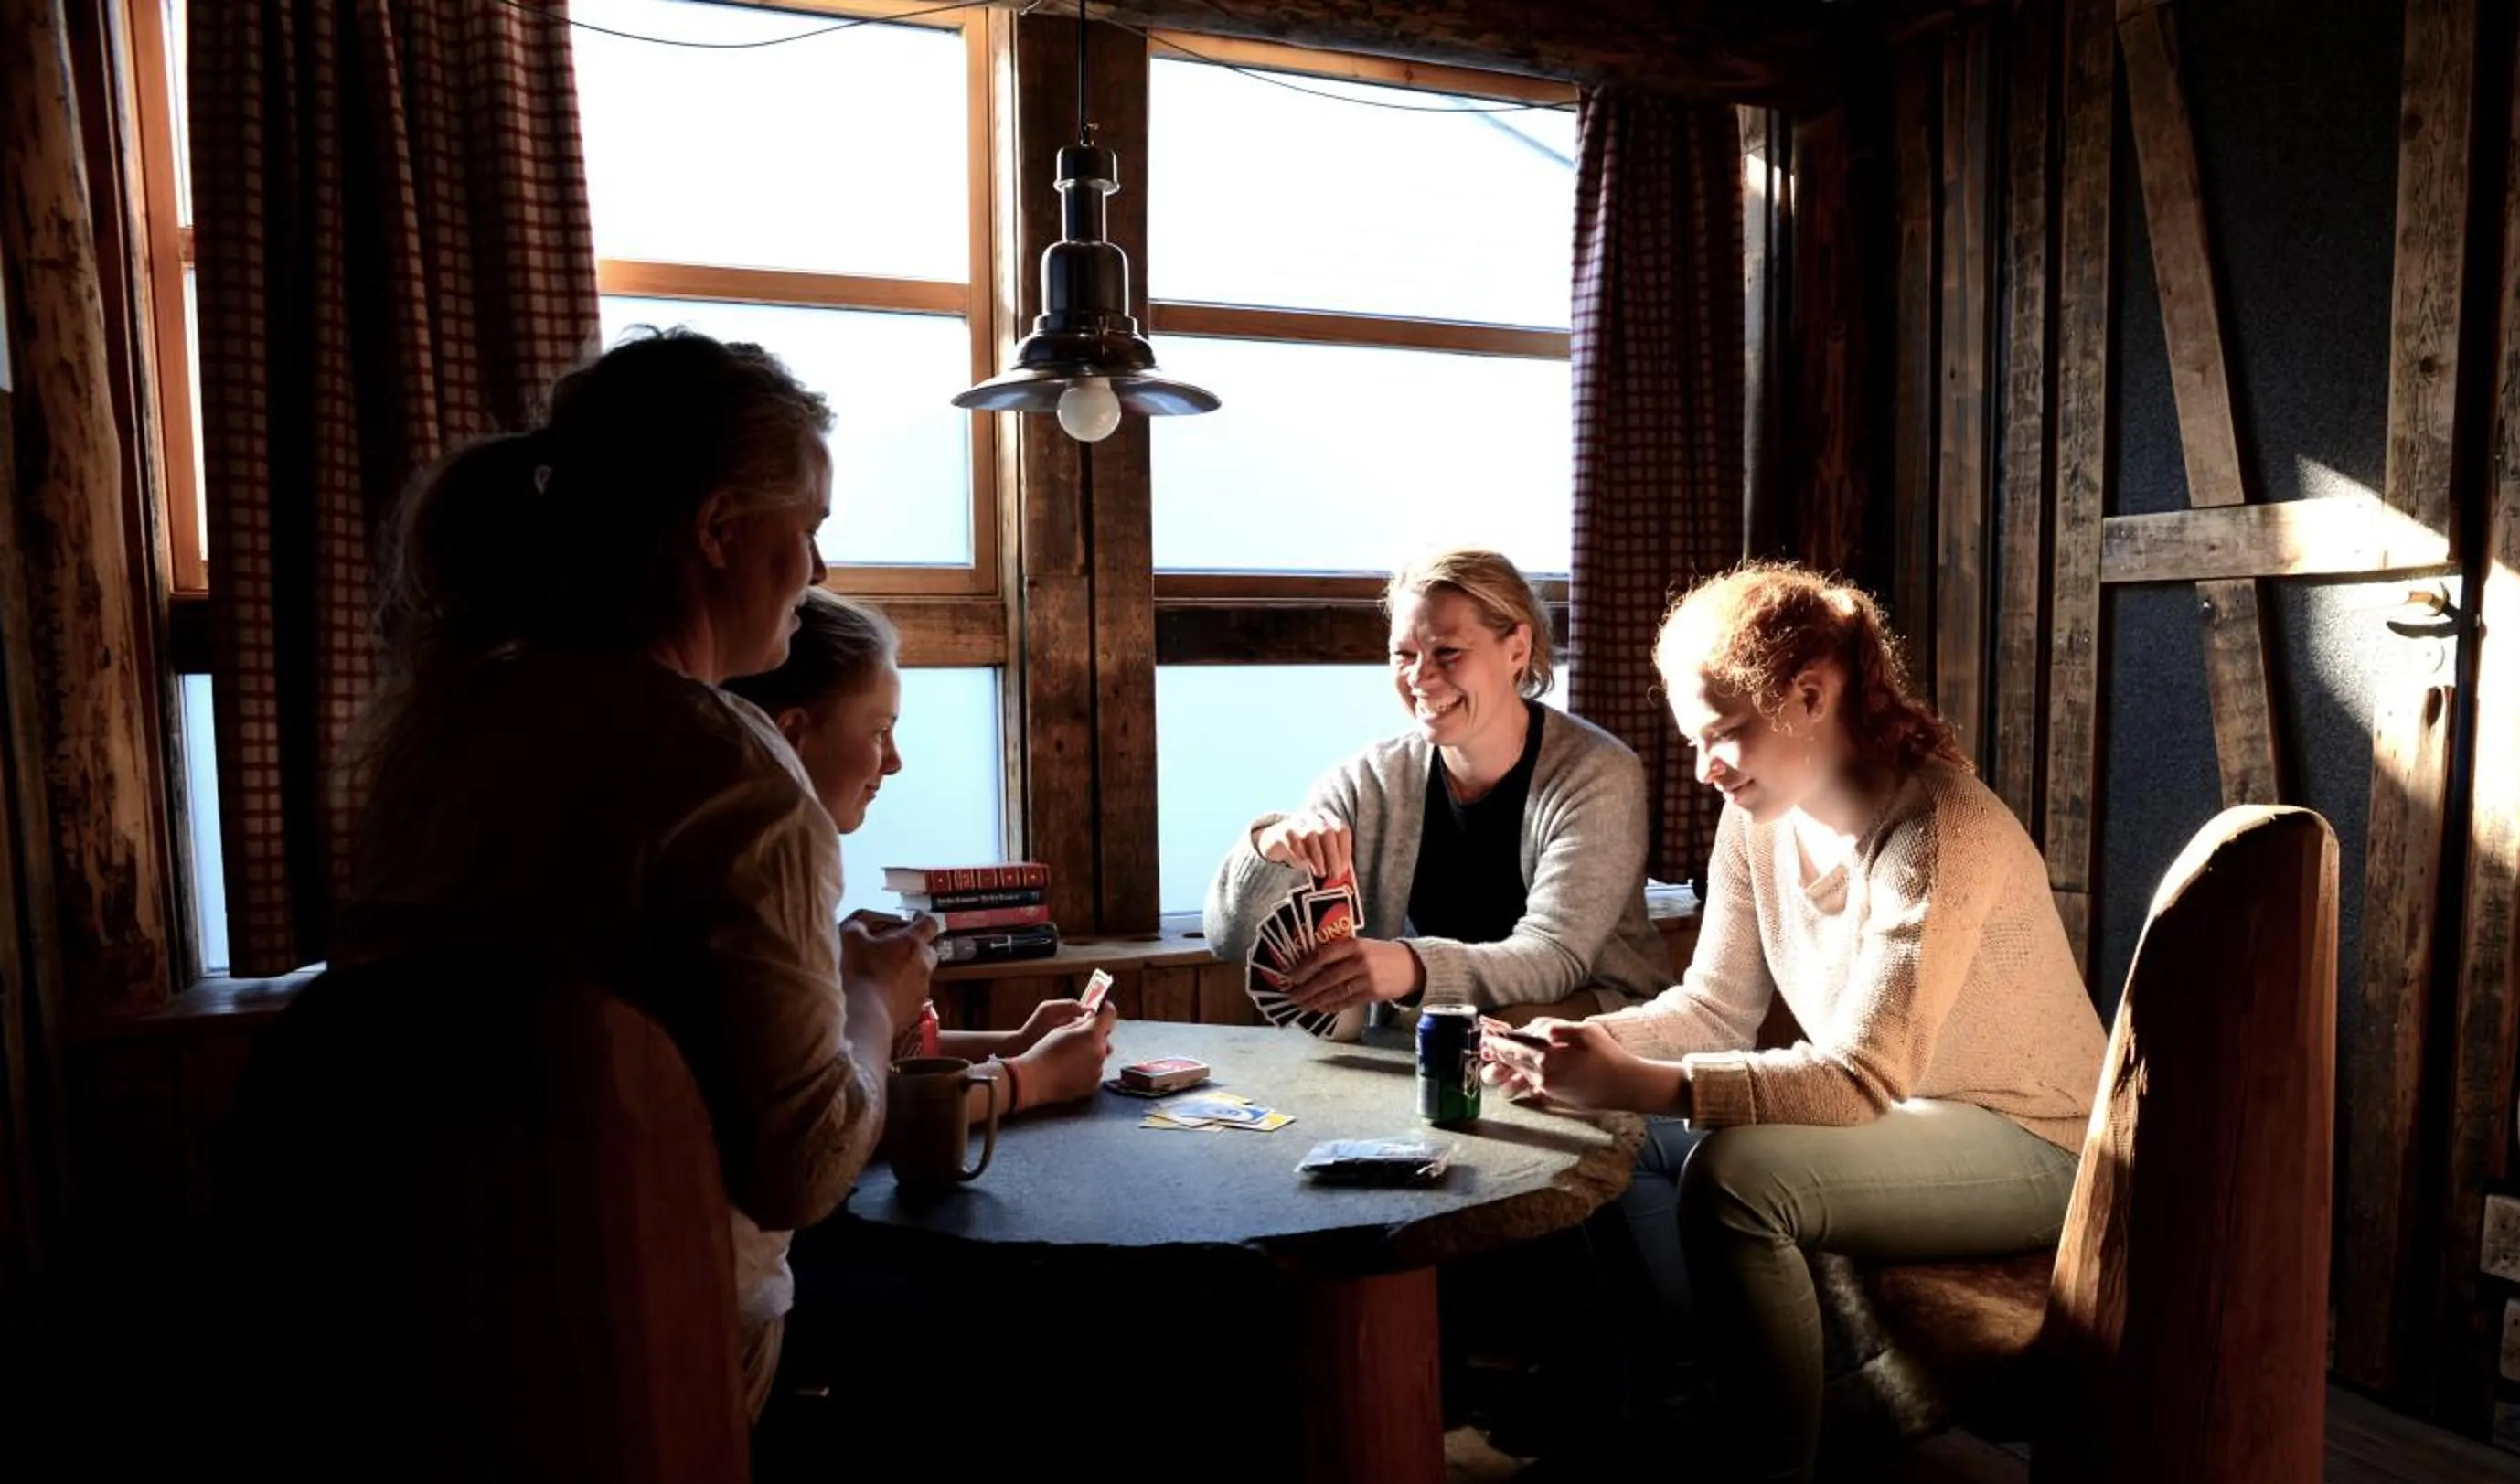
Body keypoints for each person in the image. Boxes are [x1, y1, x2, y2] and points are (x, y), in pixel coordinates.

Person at [1480, 562, 2107, 1484]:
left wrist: (1638, 1077)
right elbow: (1714, 1004)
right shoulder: (1760, 820)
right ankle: (1693, 1410)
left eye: (1724, 731)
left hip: (2032, 1138)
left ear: (1813, 693)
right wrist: (1587, 1050)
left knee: (1736, 1174)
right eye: (1692, 739)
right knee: (1628, 1135)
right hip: (1912, 1123)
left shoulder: (1938, 829)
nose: (1707, 766)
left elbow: (1857, 1078)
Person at [341, 327, 927, 1423]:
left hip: (426, 1336)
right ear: (717, 529)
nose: (818, 571)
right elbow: (799, 1169)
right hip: (658, 1360)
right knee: (1025, 1358)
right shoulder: (728, 770)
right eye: (805, 530)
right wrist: (872, 1004)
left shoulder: (449, 728)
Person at [1202, 547, 1670, 1026]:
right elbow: (1229, 940)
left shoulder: (1598, 772)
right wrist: (1268, 851)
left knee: (1517, 1021)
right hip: (1425, 1044)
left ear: (1517, 650)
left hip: (1591, 1028)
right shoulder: (1366, 782)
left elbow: (1555, 956)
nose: (1419, 678)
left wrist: (1409, 967)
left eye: (1447, 652)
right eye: (1403, 655)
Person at [724, 586, 1116, 1117]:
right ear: (793, 733)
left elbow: (839, 1060)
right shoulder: (751, 887)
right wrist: (1030, 1079)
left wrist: (1017, 1042)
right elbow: (826, 1127)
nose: (895, 762)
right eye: (880, 731)